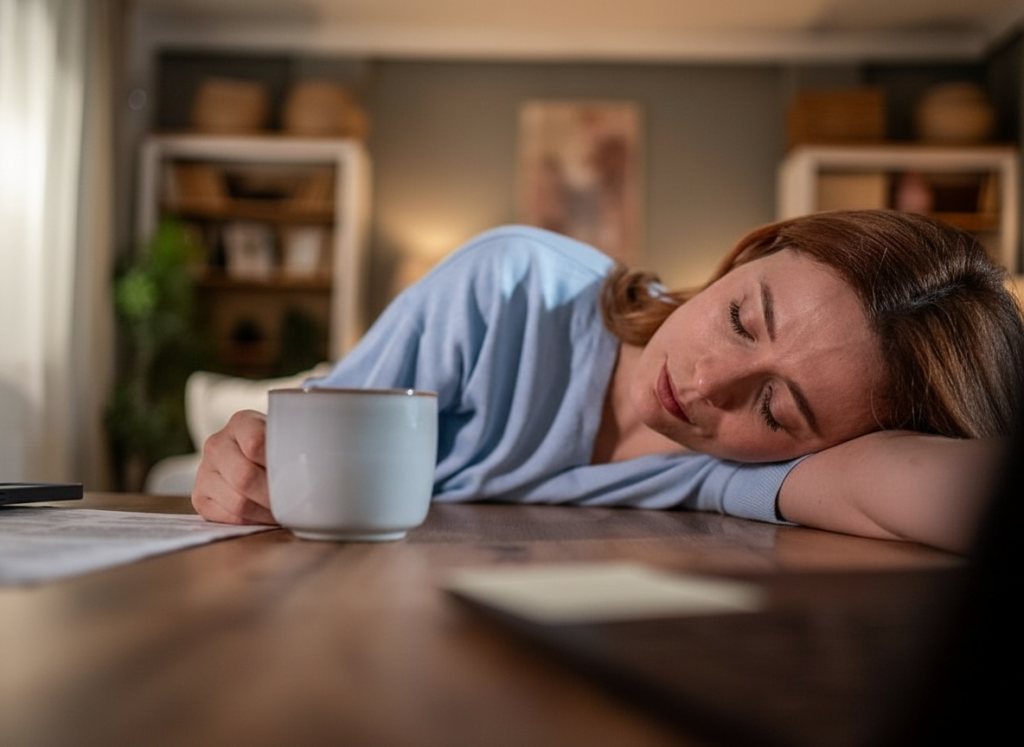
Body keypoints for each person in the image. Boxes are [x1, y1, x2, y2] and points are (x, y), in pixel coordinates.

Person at [192, 210, 1024, 553]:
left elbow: (940, 483)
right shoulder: (510, 286)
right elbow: (310, 438)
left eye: (774, 406)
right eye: (741, 318)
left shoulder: (740, 471)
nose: (706, 385)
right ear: (748, 254)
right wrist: (248, 466)